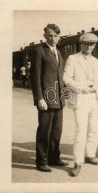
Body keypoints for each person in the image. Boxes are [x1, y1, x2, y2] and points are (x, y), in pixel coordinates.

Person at [63, 33, 98, 177]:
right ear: (81, 44)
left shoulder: (96, 62)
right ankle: (78, 162)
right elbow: (66, 78)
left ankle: (90, 154)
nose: (89, 47)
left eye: (92, 44)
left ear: (94, 46)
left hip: (95, 98)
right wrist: (82, 87)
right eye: (86, 44)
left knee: (94, 128)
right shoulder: (73, 59)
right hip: (80, 98)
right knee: (81, 130)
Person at [30, 24, 67, 172]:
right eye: (50, 35)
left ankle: (54, 157)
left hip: (59, 99)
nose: (53, 38)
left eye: (55, 36)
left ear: (59, 37)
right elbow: (35, 77)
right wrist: (39, 98)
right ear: (45, 36)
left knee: (57, 131)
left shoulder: (58, 52)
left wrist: (64, 96)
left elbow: (60, 77)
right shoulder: (39, 51)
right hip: (46, 98)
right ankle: (42, 161)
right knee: (44, 131)